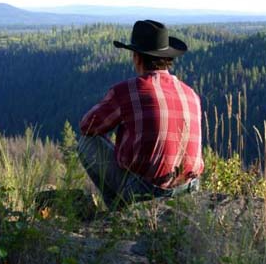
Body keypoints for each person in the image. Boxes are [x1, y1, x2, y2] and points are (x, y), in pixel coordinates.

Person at [78, 20, 204, 209]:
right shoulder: (190, 94)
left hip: (143, 191)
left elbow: (88, 126)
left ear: (137, 57)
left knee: (87, 143)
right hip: (189, 187)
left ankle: (118, 211)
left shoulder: (128, 91)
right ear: (167, 58)